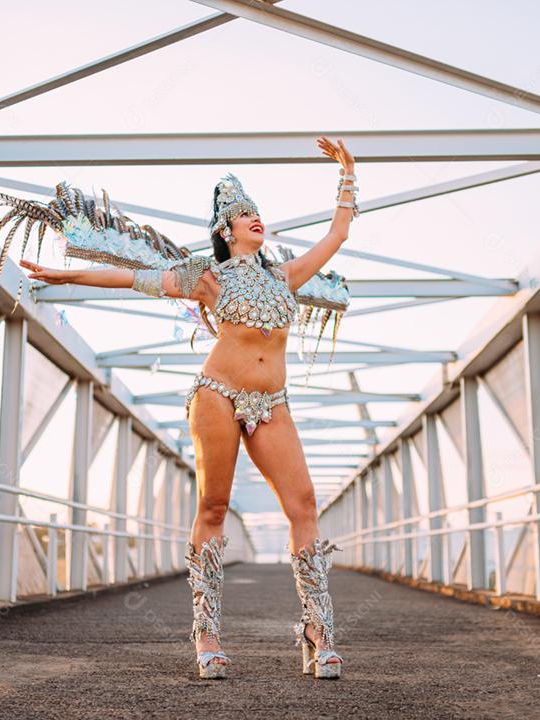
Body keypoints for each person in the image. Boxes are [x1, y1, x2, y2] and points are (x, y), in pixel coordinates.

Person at [19, 136, 358, 680]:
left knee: (305, 504)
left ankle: (317, 632)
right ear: (226, 230)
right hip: (217, 396)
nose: (256, 220)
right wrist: (66, 276)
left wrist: (348, 170)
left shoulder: (285, 275)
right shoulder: (206, 276)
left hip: (272, 402)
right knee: (214, 507)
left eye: (258, 213)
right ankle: (207, 634)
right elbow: (132, 279)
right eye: (246, 214)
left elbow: (338, 233)